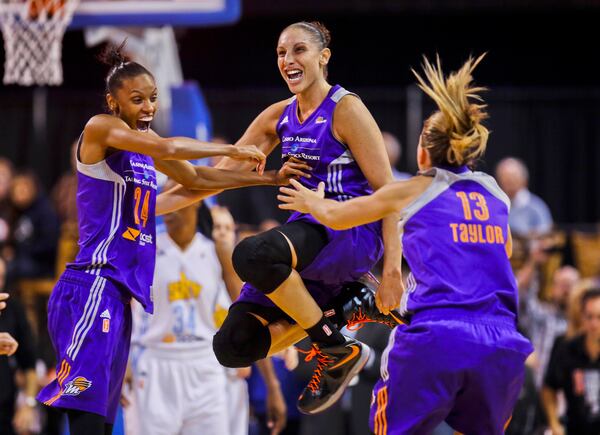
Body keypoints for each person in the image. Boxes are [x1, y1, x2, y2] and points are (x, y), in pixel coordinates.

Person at [36, 41, 307, 435]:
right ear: (113, 103)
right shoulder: (101, 128)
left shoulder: (143, 152)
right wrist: (233, 147)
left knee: (103, 422)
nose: (148, 107)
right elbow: (168, 146)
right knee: (87, 422)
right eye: (137, 99)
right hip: (91, 286)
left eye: (153, 98)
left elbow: (196, 180)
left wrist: (269, 176)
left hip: (116, 294)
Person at [279, 53, 534, 434]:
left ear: (423, 151)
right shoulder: (496, 193)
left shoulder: (414, 188)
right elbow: (506, 251)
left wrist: (309, 199)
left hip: (437, 334)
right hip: (501, 340)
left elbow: (337, 216)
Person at [542, 287, 600, 435]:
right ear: (582, 317)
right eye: (590, 317)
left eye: (599, 317)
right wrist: (554, 423)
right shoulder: (566, 348)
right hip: (575, 428)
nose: (594, 324)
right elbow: (549, 387)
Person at [0, 257, 38, 435]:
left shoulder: (13, 308)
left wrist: (29, 404)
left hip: (5, 412)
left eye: (0, 277)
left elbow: (30, 364)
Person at [495, 157, 553, 237]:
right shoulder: (495, 205)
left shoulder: (537, 207)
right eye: (505, 179)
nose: (510, 182)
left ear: (524, 180)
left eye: (513, 178)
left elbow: (546, 236)